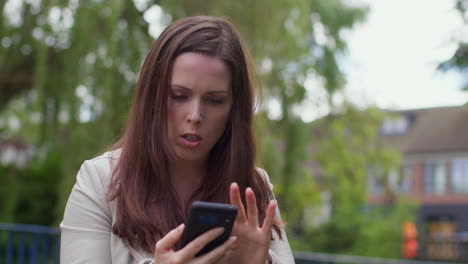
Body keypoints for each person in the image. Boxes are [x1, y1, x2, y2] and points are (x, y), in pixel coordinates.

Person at [60, 15, 295, 264]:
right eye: (179, 95)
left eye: (215, 100)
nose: (194, 116)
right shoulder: (99, 183)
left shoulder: (254, 189)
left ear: (234, 110)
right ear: (152, 96)